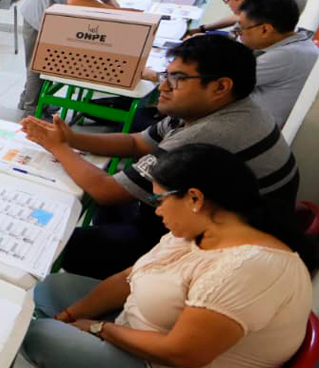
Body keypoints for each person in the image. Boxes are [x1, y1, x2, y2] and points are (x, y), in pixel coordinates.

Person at [21, 144, 314, 368]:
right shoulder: (202, 230)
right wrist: (71, 315)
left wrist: (98, 329)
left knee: (38, 336)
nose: (157, 209)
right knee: (48, 290)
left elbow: (183, 354)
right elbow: (129, 278)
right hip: (149, 336)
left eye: (159, 199)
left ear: (195, 198)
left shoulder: (250, 269)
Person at [22, 35, 299, 280]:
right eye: (166, 75)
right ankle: (115, 272)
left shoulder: (211, 131)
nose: (163, 86)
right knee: (108, 208)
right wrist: (70, 138)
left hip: (209, 246)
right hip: (194, 215)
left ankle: (126, 281)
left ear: (220, 87)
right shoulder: (214, 109)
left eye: (177, 79)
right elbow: (136, 142)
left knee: (59, 242)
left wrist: (59, 148)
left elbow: (107, 191)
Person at [16, 0, 183, 115]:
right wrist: (118, 15)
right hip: (43, 14)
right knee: (38, 66)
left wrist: (114, 6)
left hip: (50, 12)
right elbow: (77, 0)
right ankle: (32, 109)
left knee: (38, 63)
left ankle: (29, 101)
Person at [234, 0, 318, 126]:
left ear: (265, 30)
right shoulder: (299, 44)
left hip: (253, 128)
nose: (239, 35)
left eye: (241, 29)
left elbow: (227, 79)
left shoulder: (288, 55)